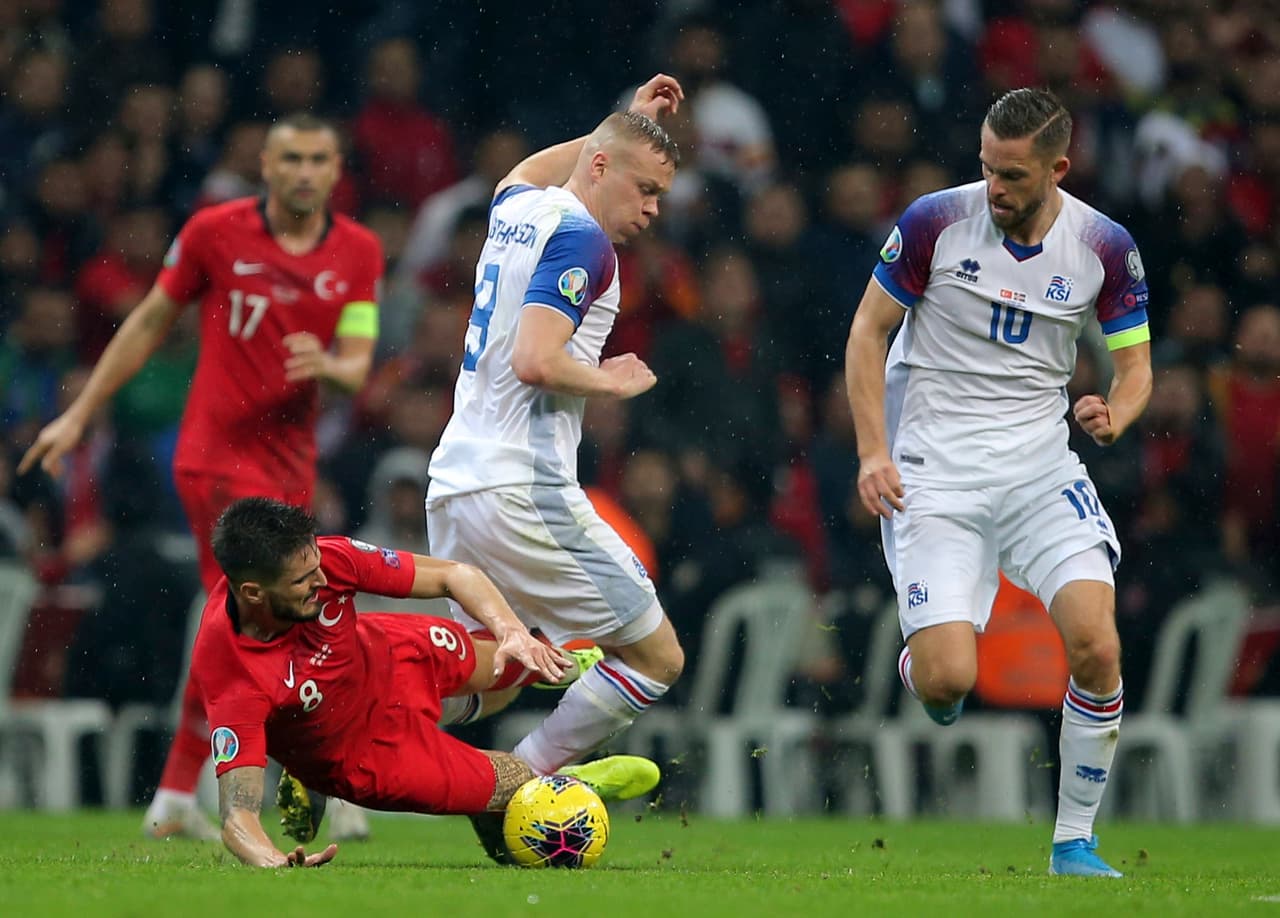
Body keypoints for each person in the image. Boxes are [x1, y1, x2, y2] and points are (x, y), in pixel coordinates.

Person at [20, 112, 384, 840]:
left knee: (240, 618)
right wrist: (82, 414)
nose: (306, 172)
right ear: (267, 169)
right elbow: (151, 318)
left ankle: (178, 793)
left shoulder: (360, 251)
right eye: (292, 159)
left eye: (319, 159)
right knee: (267, 616)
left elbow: (359, 358)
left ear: (337, 170)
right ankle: (324, 780)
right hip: (215, 458)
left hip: (292, 466)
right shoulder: (215, 231)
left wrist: (332, 369)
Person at [844, 88, 1152, 878]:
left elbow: (1137, 367)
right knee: (949, 684)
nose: (995, 189)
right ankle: (924, 667)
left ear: (1058, 168)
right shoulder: (934, 222)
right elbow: (868, 333)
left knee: (1097, 643)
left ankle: (1073, 842)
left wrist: (1115, 413)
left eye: (1012, 175)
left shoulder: (1105, 246)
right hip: (934, 475)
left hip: (1038, 469)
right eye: (986, 168)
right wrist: (873, 452)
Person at [425, 75, 686, 801]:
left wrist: (624, 122)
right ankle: (514, 788)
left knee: (493, 672)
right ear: (600, 170)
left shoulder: (519, 208)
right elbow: (536, 360)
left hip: (457, 482)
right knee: (655, 657)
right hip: (521, 488)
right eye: (644, 189)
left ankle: (332, 735)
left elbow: (528, 169)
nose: (653, 209)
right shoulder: (584, 242)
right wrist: (612, 380)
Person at [192, 497, 656, 868]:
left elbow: (455, 576)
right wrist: (274, 862)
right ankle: (574, 783)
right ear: (253, 593)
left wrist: (510, 630)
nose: (321, 579)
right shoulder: (235, 678)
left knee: (509, 667)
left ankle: (559, 664)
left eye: (317, 565)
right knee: (517, 797)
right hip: (368, 754)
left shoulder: (326, 562)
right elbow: (237, 818)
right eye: (303, 581)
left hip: (389, 654)